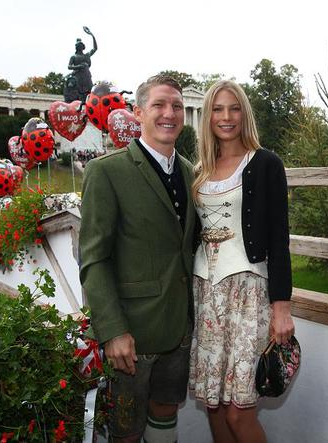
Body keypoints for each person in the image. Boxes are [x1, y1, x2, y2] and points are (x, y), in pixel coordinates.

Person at [79, 75, 196, 443]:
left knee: (165, 412)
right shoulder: (107, 171)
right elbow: (94, 259)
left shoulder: (192, 173)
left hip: (179, 328)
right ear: (138, 112)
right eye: (159, 105)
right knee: (126, 430)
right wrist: (112, 330)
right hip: (132, 334)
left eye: (176, 106)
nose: (170, 113)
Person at [189, 80, 295, 442]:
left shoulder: (266, 163)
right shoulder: (199, 170)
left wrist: (282, 308)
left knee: (239, 412)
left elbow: (280, 238)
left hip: (249, 293)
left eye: (234, 108)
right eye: (218, 109)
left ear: (244, 113)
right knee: (215, 407)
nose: (226, 116)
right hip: (206, 294)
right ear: (208, 116)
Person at [66, 26, 97, 102]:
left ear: (83, 47)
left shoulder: (86, 55)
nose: (79, 47)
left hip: (86, 76)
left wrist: (92, 35)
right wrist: (79, 66)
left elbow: (95, 48)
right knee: (76, 93)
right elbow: (69, 66)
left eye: (81, 45)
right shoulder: (73, 56)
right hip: (77, 77)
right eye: (78, 46)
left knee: (90, 91)